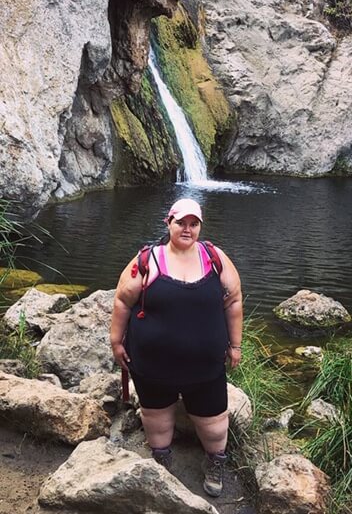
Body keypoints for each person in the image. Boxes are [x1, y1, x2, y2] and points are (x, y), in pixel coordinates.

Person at [110, 198, 242, 497]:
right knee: (156, 419)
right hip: (152, 365)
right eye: (181, 222)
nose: (187, 229)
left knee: (214, 425)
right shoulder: (148, 260)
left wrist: (235, 345)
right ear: (168, 223)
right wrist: (116, 342)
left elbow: (234, 300)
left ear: (200, 227)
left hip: (205, 367)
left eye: (193, 224)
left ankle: (215, 461)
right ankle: (161, 462)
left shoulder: (215, 257)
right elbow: (122, 301)